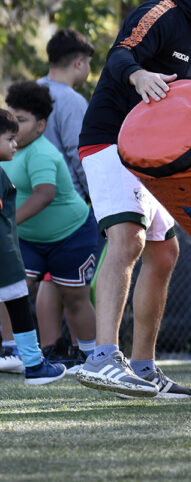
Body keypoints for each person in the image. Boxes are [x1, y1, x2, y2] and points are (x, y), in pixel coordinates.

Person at [75, 0, 191, 398]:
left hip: (154, 156)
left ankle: (143, 368)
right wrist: (137, 76)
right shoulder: (161, 12)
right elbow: (120, 54)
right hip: (111, 140)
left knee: (166, 252)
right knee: (128, 239)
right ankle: (103, 356)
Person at [4, 81, 99, 375]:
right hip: (29, 240)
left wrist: (8, 224)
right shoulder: (6, 150)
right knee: (8, 289)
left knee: (74, 297)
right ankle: (11, 350)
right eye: (11, 118)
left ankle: (94, 356)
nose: (15, 126)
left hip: (71, 236)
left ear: (41, 125)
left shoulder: (42, 153)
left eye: (22, 120)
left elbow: (43, 194)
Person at [36, 28, 96, 369]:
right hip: (68, 201)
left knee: (47, 276)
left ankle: (49, 348)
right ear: (78, 62)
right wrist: (93, 196)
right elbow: (79, 153)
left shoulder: (31, 92)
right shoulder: (72, 100)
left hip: (33, 199)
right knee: (73, 280)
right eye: (87, 63)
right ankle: (81, 349)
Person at [0, 108, 66, 384]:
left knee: (18, 308)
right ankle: (35, 366)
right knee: (19, 309)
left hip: (8, 255)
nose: (15, 144)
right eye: (9, 139)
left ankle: (34, 363)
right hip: (5, 258)